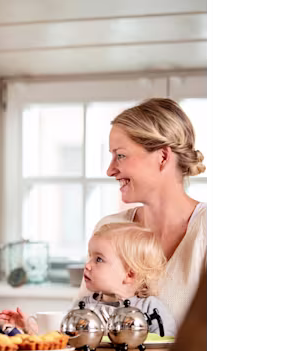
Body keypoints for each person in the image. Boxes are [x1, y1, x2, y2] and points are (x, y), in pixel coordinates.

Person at [78, 98, 207, 326]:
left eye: (120, 155)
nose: (110, 170)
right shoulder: (110, 229)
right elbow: (83, 324)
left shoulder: (203, 229)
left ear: (163, 157)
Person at [0, 222, 177, 337]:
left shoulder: (150, 309)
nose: (87, 265)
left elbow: (167, 348)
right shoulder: (84, 307)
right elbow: (59, 338)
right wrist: (28, 326)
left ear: (129, 274)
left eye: (99, 259)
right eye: (89, 257)